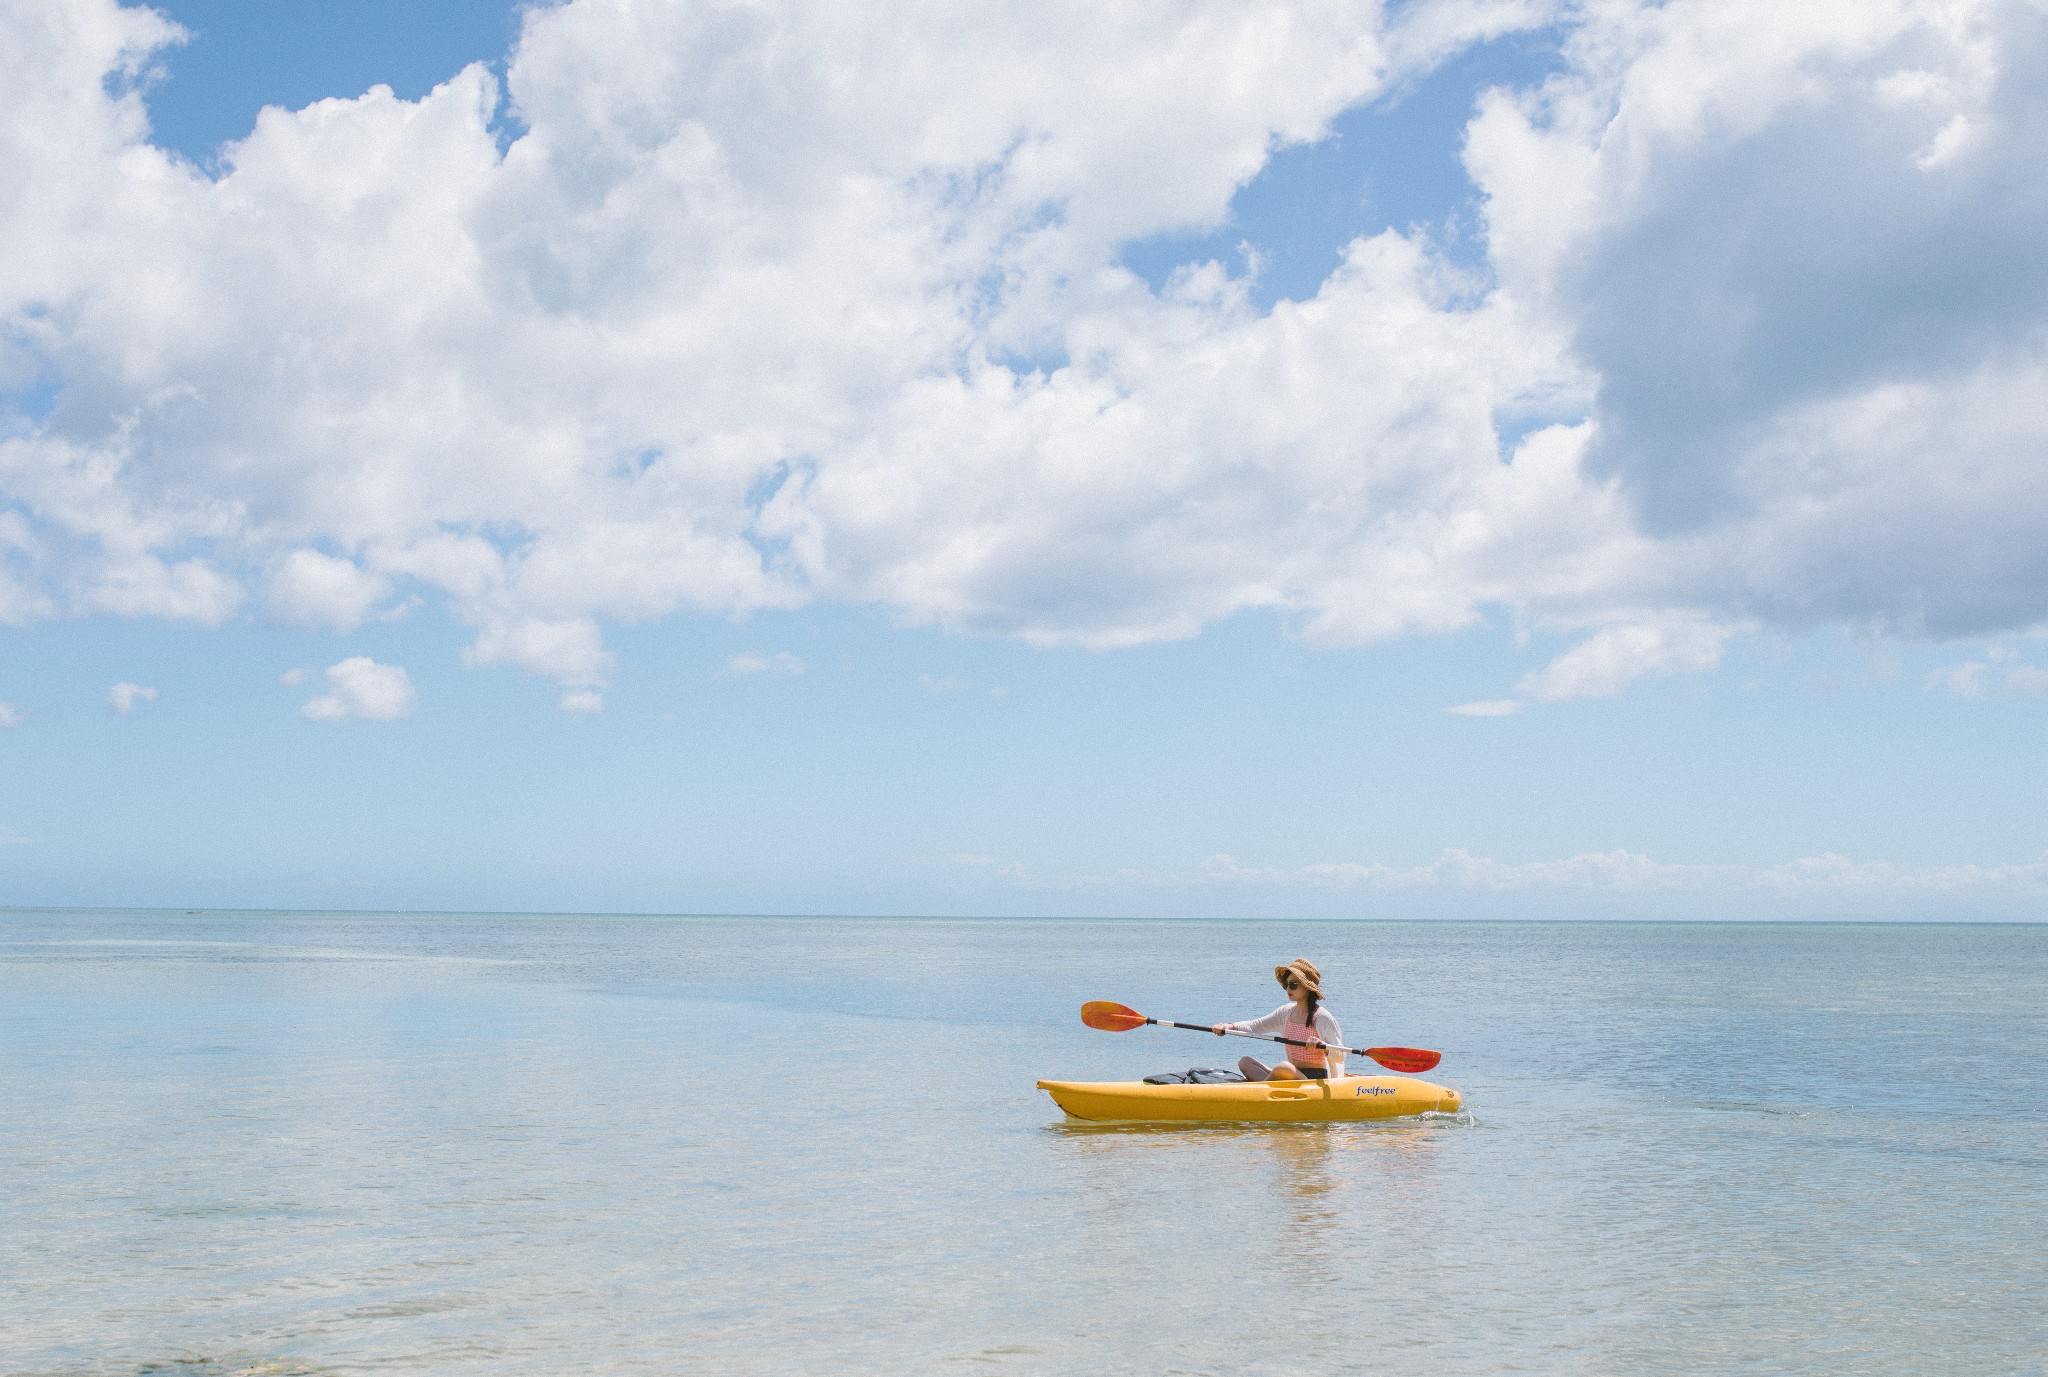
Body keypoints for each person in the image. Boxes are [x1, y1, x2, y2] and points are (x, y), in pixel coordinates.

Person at [1211, 958, 1346, 1081]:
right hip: (1290, 1075)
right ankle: (1267, 1087)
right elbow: (1256, 1026)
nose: (1288, 988)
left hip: (1313, 1081)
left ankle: (1260, 1093)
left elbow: (1340, 1054)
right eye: (1286, 984)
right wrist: (1229, 1027)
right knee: (1245, 1062)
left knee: (1284, 1068)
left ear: (1307, 987)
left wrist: (1322, 1045)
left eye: (1293, 984)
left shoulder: (1322, 1017)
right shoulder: (1285, 1012)